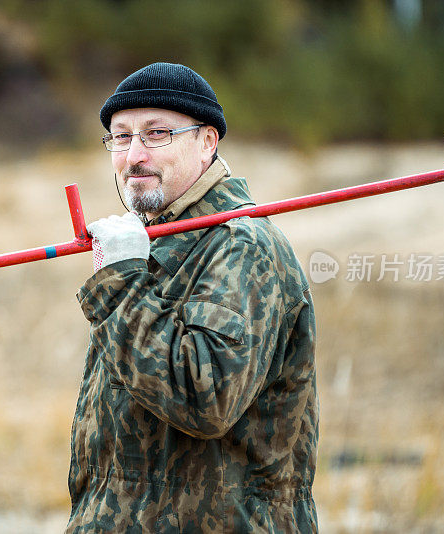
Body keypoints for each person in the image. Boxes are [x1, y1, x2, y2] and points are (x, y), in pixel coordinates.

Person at [67, 62, 318, 533]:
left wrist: (121, 281)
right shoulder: (155, 243)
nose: (133, 156)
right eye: (120, 137)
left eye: (156, 133)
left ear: (207, 143)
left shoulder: (242, 248)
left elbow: (206, 400)